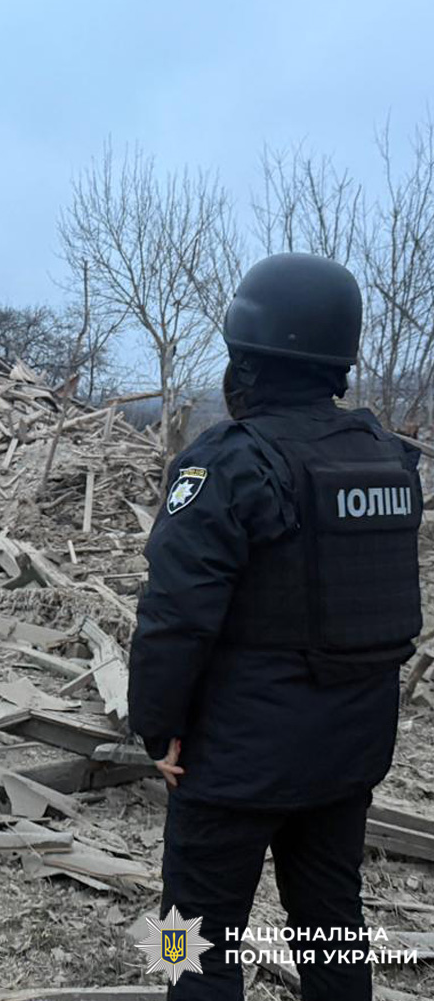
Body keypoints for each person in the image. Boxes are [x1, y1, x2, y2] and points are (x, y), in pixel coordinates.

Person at [128, 252, 424, 1001]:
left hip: (232, 767)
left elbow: (174, 619)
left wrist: (156, 731)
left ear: (246, 362)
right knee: (332, 927)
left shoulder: (225, 466)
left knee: (187, 936)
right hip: (348, 759)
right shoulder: (392, 463)